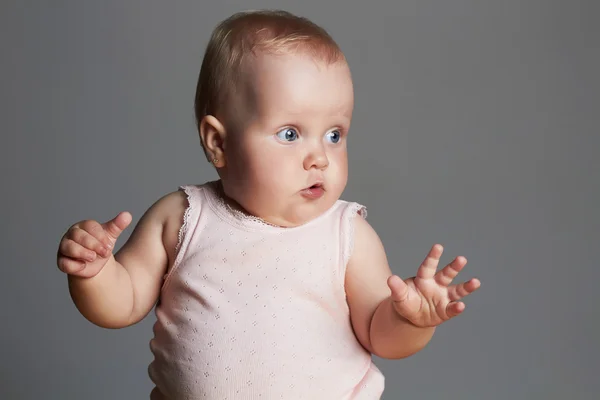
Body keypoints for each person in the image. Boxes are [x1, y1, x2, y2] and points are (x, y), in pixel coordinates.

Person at [56, 9, 481, 399]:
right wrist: (95, 273)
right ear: (218, 142)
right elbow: (122, 302)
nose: (319, 156)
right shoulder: (182, 217)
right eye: (290, 133)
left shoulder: (347, 235)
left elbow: (379, 334)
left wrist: (410, 320)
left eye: (334, 134)